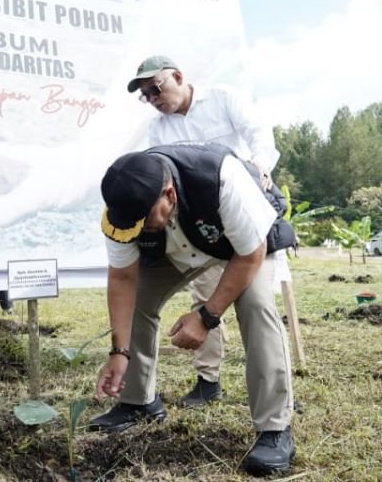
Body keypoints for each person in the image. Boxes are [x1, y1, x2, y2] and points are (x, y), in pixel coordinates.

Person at [88, 143, 296, 477]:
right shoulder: (124, 208)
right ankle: (138, 400)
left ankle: (274, 428)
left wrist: (206, 316)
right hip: (176, 247)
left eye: (143, 222)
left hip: (241, 248)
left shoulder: (220, 178)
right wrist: (118, 351)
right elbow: (123, 277)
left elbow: (250, 255)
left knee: (256, 306)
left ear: (169, 194)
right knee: (139, 296)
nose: (136, 230)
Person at [128, 55, 280, 408]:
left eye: (156, 89)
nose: (153, 99)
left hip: (242, 210)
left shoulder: (223, 98)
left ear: (178, 77)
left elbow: (258, 134)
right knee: (204, 296)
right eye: (146, 96)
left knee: (257, 304)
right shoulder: (159, 129)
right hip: (199, 227)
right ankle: (208, 379)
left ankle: (274, 390)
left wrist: (259, 166)